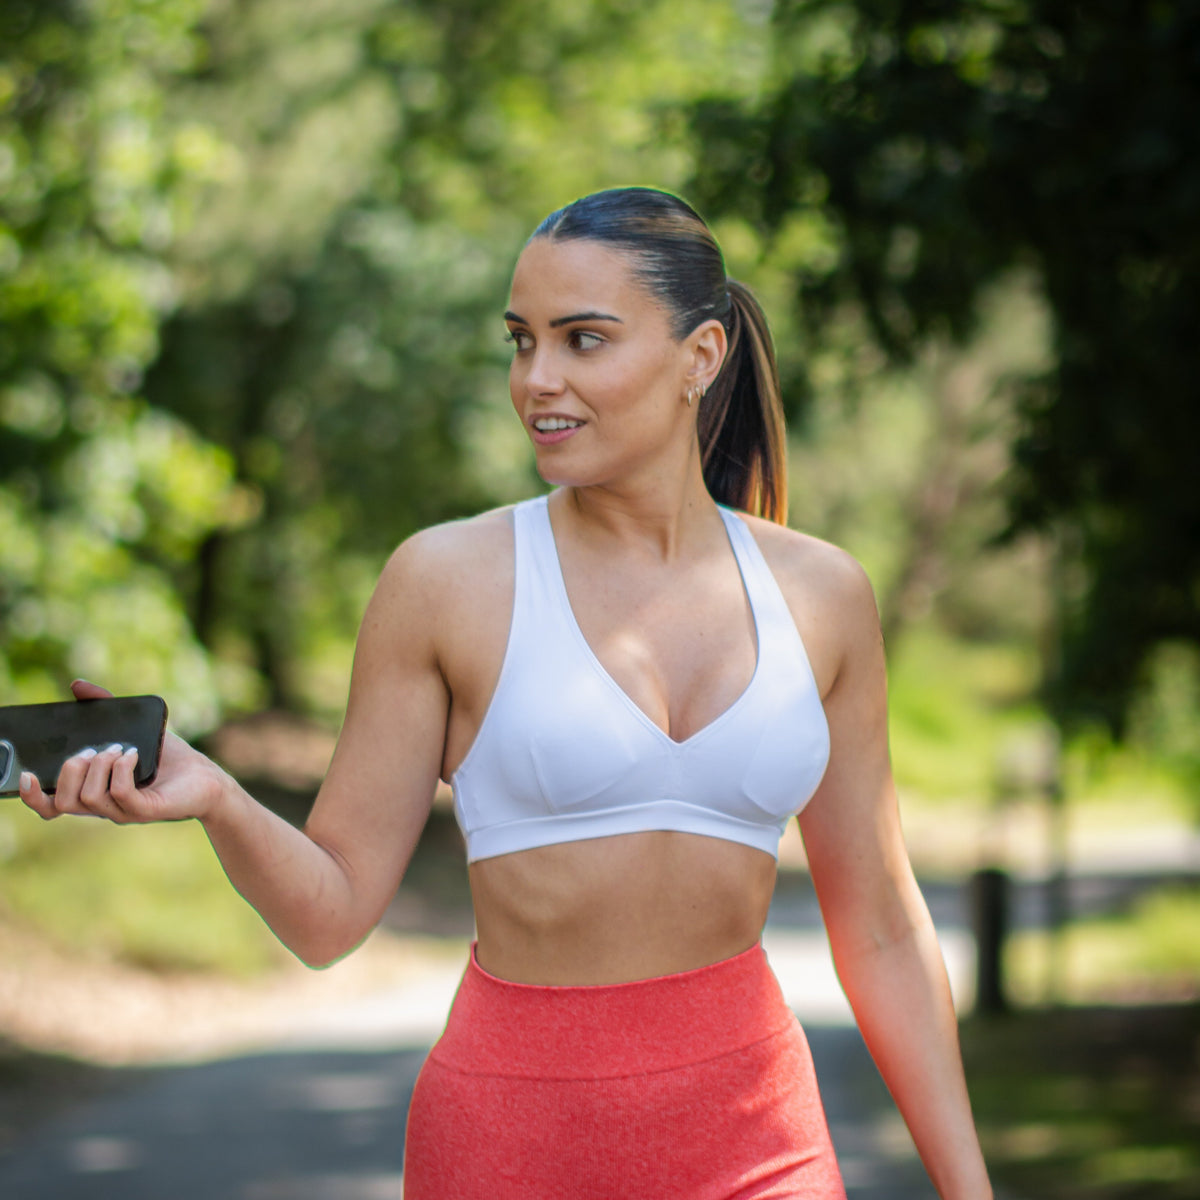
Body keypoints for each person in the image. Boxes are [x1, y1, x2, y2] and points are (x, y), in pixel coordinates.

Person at [19, 186, 993, 1198]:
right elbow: (330, 916)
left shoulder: (822, 595)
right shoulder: (445, 582)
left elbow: (880, 925)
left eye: (583, 340)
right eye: (520, 341)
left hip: (758, 1137)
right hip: (512, 1143)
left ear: (700, 358)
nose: (538, 379)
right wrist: (216, 795)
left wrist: (970, 1191)